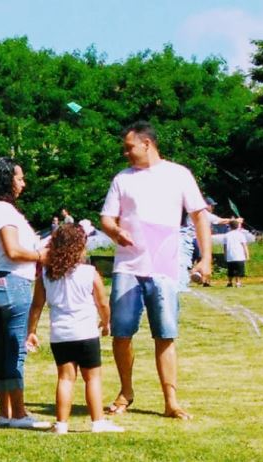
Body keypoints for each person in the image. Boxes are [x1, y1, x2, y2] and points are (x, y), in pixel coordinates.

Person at [99, 121, 211, 420]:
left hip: (164, 267)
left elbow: (200, 217)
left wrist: (206, 259)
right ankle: (126, 392)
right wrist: (116, 233)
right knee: (121, 334)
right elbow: (107, 219)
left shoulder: (178, 174)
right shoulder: (122, 179)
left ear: (147, 144)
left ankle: (170, 400)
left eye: (129, 147)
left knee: (165, 334)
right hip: (127, 267)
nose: (126, 152)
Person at [0, 158, 50, 429]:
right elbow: (13, 251)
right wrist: (42, 254)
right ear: (6, 180)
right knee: (16, 348)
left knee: (2, 348)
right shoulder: (4, 211)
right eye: (19, 178)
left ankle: (4, 412)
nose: (23, 183)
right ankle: (18, 413)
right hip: (12, 282)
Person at [26, 224, 123, 434]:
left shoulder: (46, 276)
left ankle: (61, 424)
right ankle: (98, 422)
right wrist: (107, 322)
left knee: (65, 379)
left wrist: (31, 331)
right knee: (93, 378)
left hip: (60, 335)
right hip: (86, 333)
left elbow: (36, 305)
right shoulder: (89, 273)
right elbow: (103, 303)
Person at [225, 219, 249, 287]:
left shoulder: (226, 235)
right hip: (239, 256)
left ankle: (229, 282)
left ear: (229, 226)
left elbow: (225, 247)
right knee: (239, 270)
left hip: (230, 256)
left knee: (230, 270)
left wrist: (225, 255)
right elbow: (244, 246)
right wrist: (247, 255)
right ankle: (238, 282)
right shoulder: (241, 235)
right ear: (238, 226)